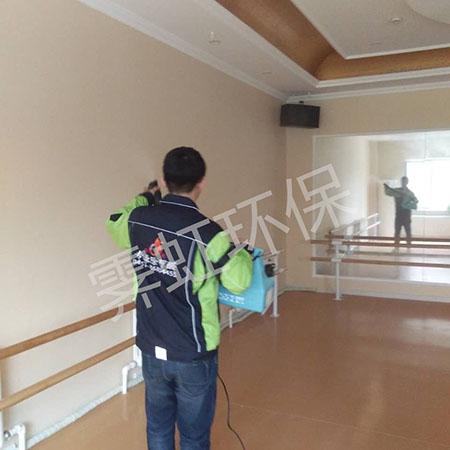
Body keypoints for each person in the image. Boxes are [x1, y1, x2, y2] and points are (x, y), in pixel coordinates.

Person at [106, 147, 253, 450]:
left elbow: (114, 222)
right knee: (193, 435)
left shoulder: (138, 218)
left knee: (158, 427)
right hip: (192, 353)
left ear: (163, 181)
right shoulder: (209, 234)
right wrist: (241, 254)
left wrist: (145, 197)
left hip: (151, 347)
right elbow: (239, 283)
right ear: (201, 184)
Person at [383, 176, 418, 246]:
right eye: (402, 181)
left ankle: (408, 246)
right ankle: (396, 246)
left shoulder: (410, 193)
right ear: (401, 182)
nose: (403, 183)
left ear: (407, 182)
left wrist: (410, 202)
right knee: (397, 232)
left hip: (407, 215)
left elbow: (416, 201)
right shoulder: (397, 191)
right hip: (398, 215)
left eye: (405, 181)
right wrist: (386, 187)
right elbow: (388, 192)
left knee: (408, 232)